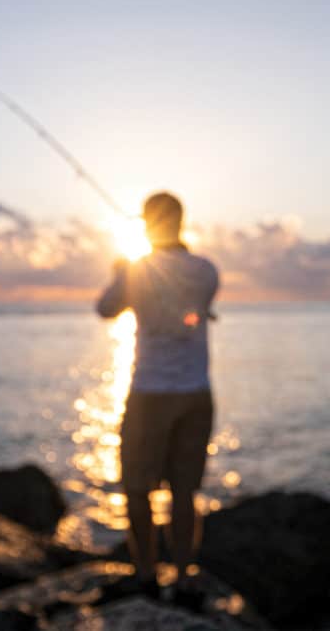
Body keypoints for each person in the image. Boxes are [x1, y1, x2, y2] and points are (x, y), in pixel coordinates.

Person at [96, 191, 220, 605]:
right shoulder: (206, 271)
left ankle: (146, 574)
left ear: (147, 223)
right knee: (185, 493)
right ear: (181, 221)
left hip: (149, 394)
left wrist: (119, 272)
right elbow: (193, 307)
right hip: (196, 394)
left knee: (137, 489)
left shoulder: (135, 272)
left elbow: (105, 309)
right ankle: (184, 578)